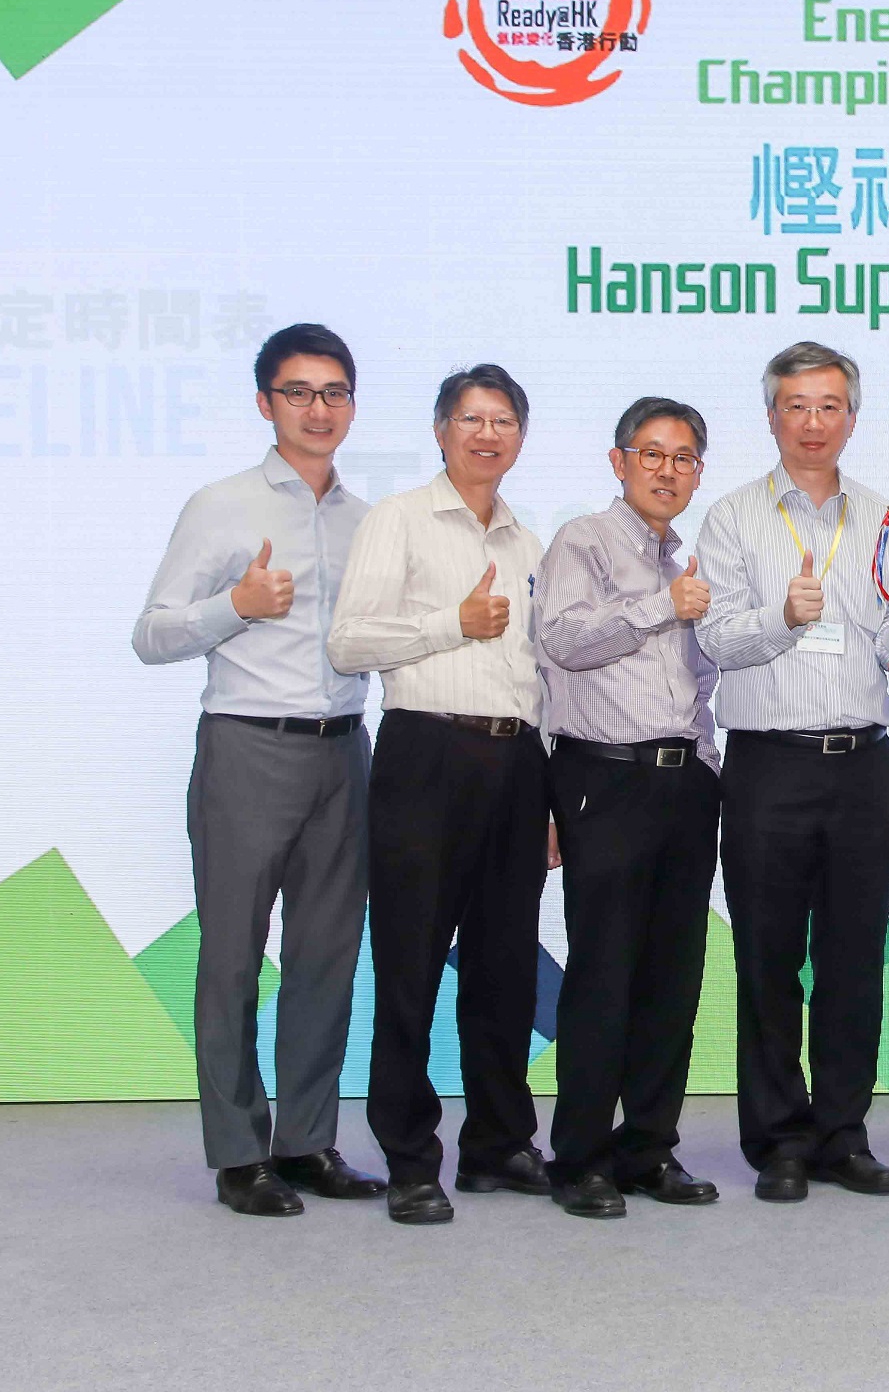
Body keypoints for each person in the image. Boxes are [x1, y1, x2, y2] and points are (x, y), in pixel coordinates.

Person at [132, 324, 385, 1216]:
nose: (318, 409)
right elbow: (151, 633)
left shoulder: (370, 519)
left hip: (344, 749)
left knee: (326, 957)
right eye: (298, 392)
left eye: (334, 392)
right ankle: (239, 1151)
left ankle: (308, 1140)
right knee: (233, 957)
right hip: (246, 744)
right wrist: (233, 607)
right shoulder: (222, 504)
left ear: (352, 403)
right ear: (263, 402)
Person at [328, 364, 550, 1226]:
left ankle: (497, 1143)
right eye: (470, 419)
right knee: (412, 964)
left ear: (520, 437)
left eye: (502, 420)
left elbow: (540, 674)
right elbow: (348, 643)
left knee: (503, 967)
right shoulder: (399, 520)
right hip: (426, 752)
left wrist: (552, 796)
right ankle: (411, 1158)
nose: (486, 434)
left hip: (517, 762)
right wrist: (451, 623)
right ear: (440, 429)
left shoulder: (528, 545)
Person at [694, 341, 889, 1202]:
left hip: (862, 765)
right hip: (767, 767)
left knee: (855, 961)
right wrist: (782, 617)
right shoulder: (731, 517)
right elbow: (714, 639)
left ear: (851, 417)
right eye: (796, 405)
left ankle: (842, 1133)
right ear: (771, 415)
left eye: (829, 406)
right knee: (768, 959)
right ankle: (777, 1138)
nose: (813, 422)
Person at [535, 397, 724, 1218]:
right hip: (605, 778)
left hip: (684, 783)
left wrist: (707, 764)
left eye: (683, 458)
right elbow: (563, 639)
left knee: (672, 978)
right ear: (619, 461)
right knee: (604, 973)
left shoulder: (684, 558)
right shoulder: (583, 539)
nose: (667, 470)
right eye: (652, 453)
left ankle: (648, 1147)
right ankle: (577, 1155)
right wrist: (660, 606)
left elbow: (698, 680)